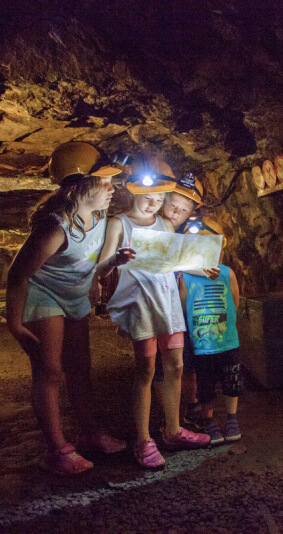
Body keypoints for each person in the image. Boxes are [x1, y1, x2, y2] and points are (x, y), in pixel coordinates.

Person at [6, 141, 129, 475]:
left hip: (75, 298)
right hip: (43, 296)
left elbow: (95, 264)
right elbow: (18, 276)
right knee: (49, 371)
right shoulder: (55, 226)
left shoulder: (101, 216)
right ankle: (58, 450)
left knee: (80, 368)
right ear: (79, 185)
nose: (111, 187)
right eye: (104, 181)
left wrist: (106, 270)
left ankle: (89, 433)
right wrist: (15, 324)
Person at [97, 157, 210, 470]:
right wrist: (117, 259)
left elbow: (173, 261)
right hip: (141, 305)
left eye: (160, 199)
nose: (154, 204)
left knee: (175, 364)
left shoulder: (166, 224)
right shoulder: (120, 223)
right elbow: (100, 266)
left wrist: (203, 267)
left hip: (168, 302)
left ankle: (172, 430)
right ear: (134, 192)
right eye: (149, 197)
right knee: (145, 370)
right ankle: (143, 439)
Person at [179, 217, 244, 445]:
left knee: (231, 380)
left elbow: (234, 303)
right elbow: (184, 308)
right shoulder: (185, 278)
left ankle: (231, 418)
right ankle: (208, 421)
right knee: (205, 384)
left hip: (227, 341)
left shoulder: (227, 273)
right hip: (202, 345)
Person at [156, 174, 214, 430]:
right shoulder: (151, 226)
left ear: (192, 210)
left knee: (187, 359)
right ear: (163, 201)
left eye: (184, 208)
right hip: (159, 305)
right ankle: (170, 416)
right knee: (161, 363)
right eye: (172, 205)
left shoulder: (193, 232)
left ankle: (189, 406)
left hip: (184, 308)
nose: (176, 212)